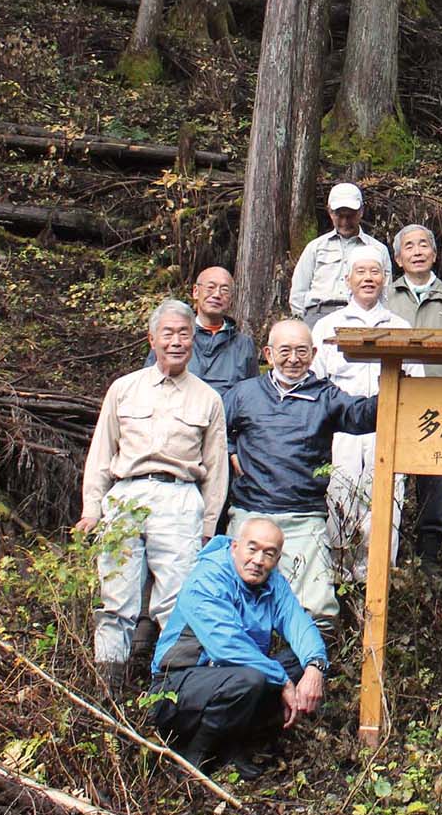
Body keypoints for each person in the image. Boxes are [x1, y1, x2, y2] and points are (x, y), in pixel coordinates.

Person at [78, 300, 230, 694]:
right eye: (168, 333)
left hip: (180, 498)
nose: (176, 342)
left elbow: (216, 469)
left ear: (193, 340)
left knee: (177, 602)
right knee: (116, 599)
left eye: (184, 334)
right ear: (152, 339)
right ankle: (108, 692)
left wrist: (208, 525)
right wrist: (92, 508)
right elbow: (101, 453)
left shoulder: (208, 398)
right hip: (126, 495)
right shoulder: (124, 389)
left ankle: (167, 692)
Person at [221, 319, 378, 632]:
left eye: (302, 351)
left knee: (318, 609)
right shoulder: (244, 393)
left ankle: (309, 659)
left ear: (314, 354)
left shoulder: (325, 396)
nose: (293, 359)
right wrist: (230, 448)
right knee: (231, 600)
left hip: (303, 517)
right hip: (250, 512)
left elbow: (360, 415)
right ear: (268, 354)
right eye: (285, 351)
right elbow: (216, 428)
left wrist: (397, 388)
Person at [149, 519, 328, 778]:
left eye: (269, 554)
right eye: (252, 549)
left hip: (231, 679)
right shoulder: (207, 578)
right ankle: (194, 760)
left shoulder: (273, 583)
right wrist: (281, 680)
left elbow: (299, 625)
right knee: (250, 679)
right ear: (235, 547)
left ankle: (238, 747)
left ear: (277, 560)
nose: (258, 560)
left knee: (299, 663)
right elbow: (226, 647)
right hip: (175, 687)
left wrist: (315, 666)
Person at [310, 248, 423, 583]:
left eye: (375, 272)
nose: (368, 279)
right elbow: (314, 382)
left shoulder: (400, 327)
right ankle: (337, 580)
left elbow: (415, 383)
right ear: (348, 279)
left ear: (385, 278)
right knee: (339, 496)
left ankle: (375, 580)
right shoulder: (327, 326)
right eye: (360, 272)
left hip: (385, 429)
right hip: (340, 431)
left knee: (385, 499)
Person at [382, 224, 442, 565]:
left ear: (434, 254)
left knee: (434, 477)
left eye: (423, 245)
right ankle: (387, 551)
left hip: (440, 398)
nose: (417, 251)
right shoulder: (385, 295)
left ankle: (429, 556)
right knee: (389, 471)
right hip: (396, 396)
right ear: (397, 258)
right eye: (409, 246)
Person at [145, 265, 259, 394]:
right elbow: (150, 384)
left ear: (231, 300)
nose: (217, 294)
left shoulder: (243, 344)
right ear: (195, 291)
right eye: (210, 287)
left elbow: (251, 394)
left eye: (224, 290)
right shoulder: (173, 339)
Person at [290, 182, 390, 324]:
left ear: (361, 211)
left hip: (362, 317)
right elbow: (298, 291)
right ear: (330, 212)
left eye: (350, 215)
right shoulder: (315, 247)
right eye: (339, 215)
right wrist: (302, 322)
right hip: (318, 315)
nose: (345, 221)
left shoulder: (378, 250)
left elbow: (386, 293)